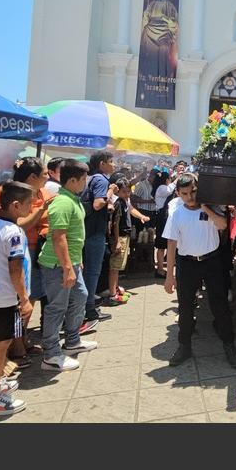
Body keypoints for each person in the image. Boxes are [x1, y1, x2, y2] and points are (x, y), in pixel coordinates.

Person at [162, 173, 236, 369]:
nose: (190, 197)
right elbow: (171, 244)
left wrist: (205, 206)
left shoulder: (211, 207)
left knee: (220, 305)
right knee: (186, 307)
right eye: (185, 193)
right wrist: (169, 276)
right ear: (178, 194)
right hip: (187, 263)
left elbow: (223, 225)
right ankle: (184, 346)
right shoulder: (176, 212)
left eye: (193, 192)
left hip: (212, 262)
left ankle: (229, 345)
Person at [0, 157, 53, 365]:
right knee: (18, 302)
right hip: (14, 255)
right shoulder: (3, 194)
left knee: (28, 301)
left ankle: (21, 339)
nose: (48, 178)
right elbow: (16, 225)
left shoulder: (43, 192)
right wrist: (40, 212)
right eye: (44, 174)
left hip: (34, 251)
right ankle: (14, 348)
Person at [0, 181, 34, 417]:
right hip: (5, 298)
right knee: (0, 344)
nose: (31, 208)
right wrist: (24, 298)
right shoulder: (14, 233)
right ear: (15, 205)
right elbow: (15, 269)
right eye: (29, 204)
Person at [37, 159, 97, 371]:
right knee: (57, 307)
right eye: (83, 179)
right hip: (57, 265)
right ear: (72, 180)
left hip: (71, 263)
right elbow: (58, 237)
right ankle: (51, 354)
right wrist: (67, 267)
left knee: (80, 297)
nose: (86, 182)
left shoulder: (73, 199)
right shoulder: (62, 202)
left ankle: (72, 341)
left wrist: (76, 262)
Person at [80, 151, 116, 325]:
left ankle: (83, 308)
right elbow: (98, 204)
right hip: (95, 232)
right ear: (102, 164)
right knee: (92, 272)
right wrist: (110, 192)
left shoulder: (88, 178)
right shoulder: (101, 180)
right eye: (111, 161)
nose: (114, 165)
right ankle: (90, 309)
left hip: (85, 230)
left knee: (86, 271)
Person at [107, 179, 150, 304]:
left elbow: (131, 210)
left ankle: (115, 288)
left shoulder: (125, 201)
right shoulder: (118, 203)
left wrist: (141, 216)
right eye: (124, 192)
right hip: (119, 236)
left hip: (124, 235)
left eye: (128, 191)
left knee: (119, 265)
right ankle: (112, 294)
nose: (127, 194)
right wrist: (117, 241)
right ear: (118, 191)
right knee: (115, 267)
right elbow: (115, 223)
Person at [152, 170, 172, 278]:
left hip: (164, 217)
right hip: (162, 218)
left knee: (166, 244)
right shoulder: (162, 188)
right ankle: (160, 269)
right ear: (166, 179)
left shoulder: (160, 188)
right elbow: (170, 189)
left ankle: (162, 268)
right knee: (161, 244)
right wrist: (178, 179)